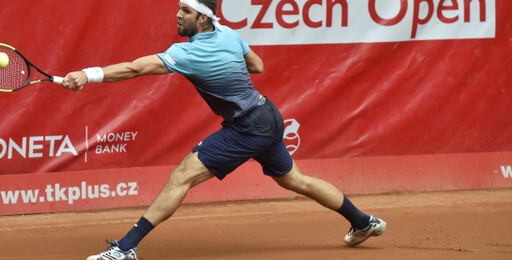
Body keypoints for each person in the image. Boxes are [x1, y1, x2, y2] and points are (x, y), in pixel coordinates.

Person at [62, 0, 386, 259]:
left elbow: (135, 68)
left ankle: (125, 247)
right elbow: (257, 66)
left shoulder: (186, 53)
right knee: (295, 179)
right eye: (178, 8)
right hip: (268, 115)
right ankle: (363, 222)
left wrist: (87, 75)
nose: (177, 15)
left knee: (181, 176)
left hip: (247, 127)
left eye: (185, 11)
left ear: (203, 19)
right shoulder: (229, 34)